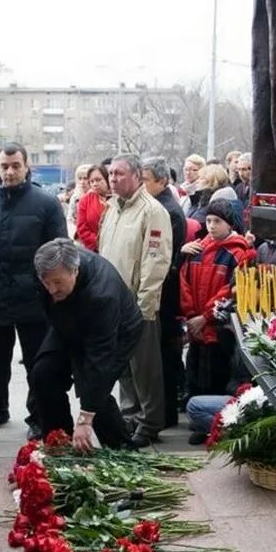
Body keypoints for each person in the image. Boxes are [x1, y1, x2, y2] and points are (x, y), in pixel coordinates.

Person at [0, 142, 67, 435]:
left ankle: (37, 417)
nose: (10, 171)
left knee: (36, 362)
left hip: (34, 298)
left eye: (16, 165)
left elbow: (59, 249)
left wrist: (53, 290)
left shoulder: (46, 203)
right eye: (4, 166)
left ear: (27, 166)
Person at [31, 239, 140, 450]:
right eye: (47, 283)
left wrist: (85, 418)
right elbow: (47, 298)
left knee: (93, 384)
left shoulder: (102, 295)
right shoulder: (47, 269)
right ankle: (58, 442)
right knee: (43, 373)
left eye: (57, 282)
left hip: (115, 330)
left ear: (75, 271)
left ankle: (123, 451)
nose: (51, 289)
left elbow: (100, 361)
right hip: (67, 318)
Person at [97, 154, 172, 447]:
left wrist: (145, 305)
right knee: (124, 366)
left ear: (137, 175)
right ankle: (129, 414)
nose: (113, 179)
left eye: (119, 173)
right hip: (111, 303)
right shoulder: (112, 208)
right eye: (110, 174)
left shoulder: (152, 211)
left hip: (137, 304)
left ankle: (150, 423)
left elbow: (155, 261)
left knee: (145, 367)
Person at [180, 200, 253, 397]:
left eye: (217, 221)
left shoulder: (238, 253)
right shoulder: (197, 249)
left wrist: (205, 317)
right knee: (195, 371)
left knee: (217, 374)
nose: (211, 226)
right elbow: (184, 282)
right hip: (196, 324)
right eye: (209, 220)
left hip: (219, 328)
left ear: (230, 224)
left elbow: (229, 290)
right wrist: (191, 315)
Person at [140, 157, 187, 429]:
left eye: (145, 180)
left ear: (162, 181)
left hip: (164, 294)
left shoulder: (166, 210)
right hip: (162, 292)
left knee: (165, 356)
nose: (142, 186)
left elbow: (163, 258)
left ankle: (166, 413)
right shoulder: (158, 206)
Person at [74, 164, 110, 252]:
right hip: (93, 249)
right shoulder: (85, 200)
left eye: (98, 180)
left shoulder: (117, 198)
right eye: (92, 181)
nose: (95, 184)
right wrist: (99, 242)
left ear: (107, 179)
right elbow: (82, 228)